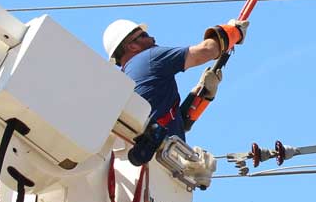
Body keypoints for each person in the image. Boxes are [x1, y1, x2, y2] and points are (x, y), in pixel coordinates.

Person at [102, 18, 249, 140]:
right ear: (132, 46)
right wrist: (234, 31)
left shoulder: (126, 83)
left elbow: (173, 122)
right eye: (145, 35)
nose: (153, 38)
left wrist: (202, 94)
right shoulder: (149, 58)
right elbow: (206, 50)